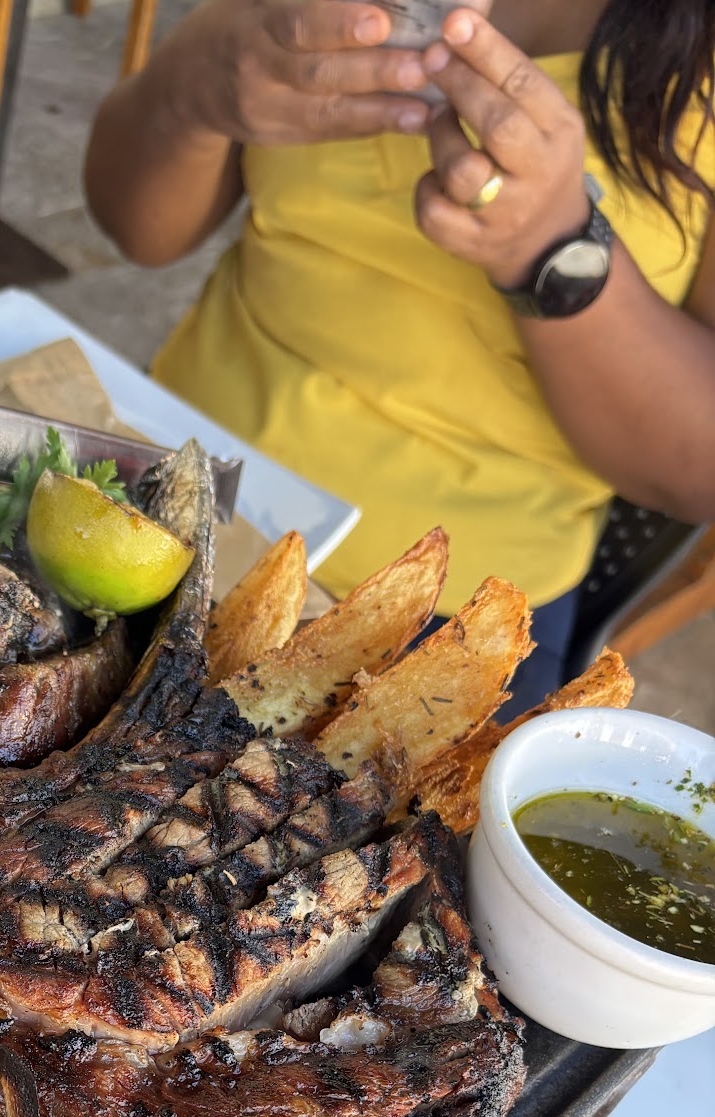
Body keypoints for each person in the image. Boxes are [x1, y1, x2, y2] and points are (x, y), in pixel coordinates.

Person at [85, 1, 715, 701]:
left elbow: (696, 467)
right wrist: (192, 87)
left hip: (445, 621)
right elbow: (135, 225)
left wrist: (553, 249)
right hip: (168, 485)